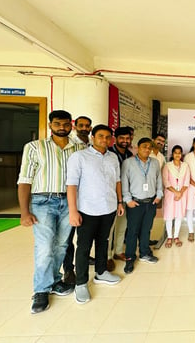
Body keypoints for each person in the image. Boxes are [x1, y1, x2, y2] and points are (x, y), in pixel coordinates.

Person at [17, 110, 83, 314]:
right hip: (43, 201)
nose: (61, 127)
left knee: (62, 244)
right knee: (45, 246)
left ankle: (54, 281)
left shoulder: (80, 148)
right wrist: (24, 211)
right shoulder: (35, 147)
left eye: (65, 124)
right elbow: (25, 179)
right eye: (57, 124)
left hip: (70, 201)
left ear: (70, 125)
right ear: (50, 124)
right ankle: (41, 290)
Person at [67, 124, 124, 304]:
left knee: (103, 242)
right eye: (101, 136)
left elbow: (117, 181)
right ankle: (81, 283)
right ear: (93, 137)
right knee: (83, 247)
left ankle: (101, 272)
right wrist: (73, 211)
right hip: (87, 210)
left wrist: (120, 202)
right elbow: (72, 185)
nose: (105, 140)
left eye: (108, 137)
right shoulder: (79, 157)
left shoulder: (113, 157)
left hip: (109, 208)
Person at [122, 138, 163, 274]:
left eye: (149, 147)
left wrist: (158, 195)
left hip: (150, 202)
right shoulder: (128, 163)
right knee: (132, 231)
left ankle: (145, 253)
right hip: (135, 202)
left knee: (146, 230)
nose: (147, 149)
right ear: (138, 148)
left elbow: (159, 179)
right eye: (144, 147)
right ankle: (130, 257)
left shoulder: (155, 163)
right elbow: (124, 182)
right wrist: (128, 200)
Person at [63, 115, 92, 285]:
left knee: (83, 234)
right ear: (75, 126)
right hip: (71, 196)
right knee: (68, 236)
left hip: (86, 198)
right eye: (81, 125)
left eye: (87, 126)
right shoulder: (70, 145)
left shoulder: (90, 145)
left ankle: (85, 258)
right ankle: (68, 269)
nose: (84, 128)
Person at [106, 127, 134, 269]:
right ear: (115, 139)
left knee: (122, 226)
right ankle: (107, 257)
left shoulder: (129, 155)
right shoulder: (108, 153)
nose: (125, 141)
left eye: (127, 138)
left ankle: (117, 251)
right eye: (122, 138)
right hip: (111, 196)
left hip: (125, 195)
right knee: (109, 229)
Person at [162, 145, 190, 248]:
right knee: (169, 216)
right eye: (175, 152)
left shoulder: (185, 166)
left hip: (182, 194)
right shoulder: (167, 166)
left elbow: (186, 182)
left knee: (179, 216)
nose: (177, 155)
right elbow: (165, 181)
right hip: (170, 194)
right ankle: (169, 237)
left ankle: (176, 237)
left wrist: (180, 193)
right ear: (172, 154)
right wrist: (176, 192)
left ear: (181, 154)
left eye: (179, 153)